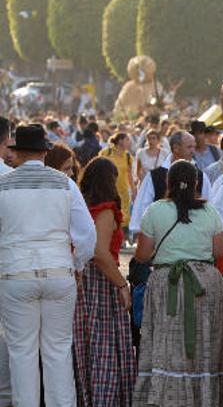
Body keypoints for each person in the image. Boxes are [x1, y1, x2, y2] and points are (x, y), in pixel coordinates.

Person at [0, 124, 96, 407]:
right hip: (58, 270)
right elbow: (87, 235)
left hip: (14, 272)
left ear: (16, 154)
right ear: (45, 152)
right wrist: (76, 265)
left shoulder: (3, 184)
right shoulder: (63, 183)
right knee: (58, 350)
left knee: (22, 352)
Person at [131, 161, 223, 407]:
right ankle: (202, 398)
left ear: (168, 182)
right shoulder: (210, 212)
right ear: (197, 183)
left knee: (167, 339)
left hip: (167, 280)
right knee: (203, 340)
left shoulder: (154, 210)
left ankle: (168, 398)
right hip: (205, 282)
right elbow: (219, 252)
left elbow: (142, 255)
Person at [74, 157, 136, 407]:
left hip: (83, 280)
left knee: (88, 348)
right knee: (104, 350)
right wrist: (122, 284)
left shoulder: (81, 206)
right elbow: (99, 253)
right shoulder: (106, 210)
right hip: (101, 280)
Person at [129, 131, 212, 234]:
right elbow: (142, 208)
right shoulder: (155, 177)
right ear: (176, 148)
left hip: (192, 238)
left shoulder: (201, 176)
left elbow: (209, 207)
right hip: (160, 237)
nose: (193, 151)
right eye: (189, 147)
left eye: (194, 147)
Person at [99, 133, 137, 229]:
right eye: (127, 140)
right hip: (107, 192)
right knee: (109, 216)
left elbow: (130, 175)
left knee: (123, 219)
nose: (129, 143)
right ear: (120, 141)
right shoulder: (106, 153)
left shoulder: (128, 156)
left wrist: (133, 190)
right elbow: (98, 170)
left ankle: (122, 241)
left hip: (123, 194)